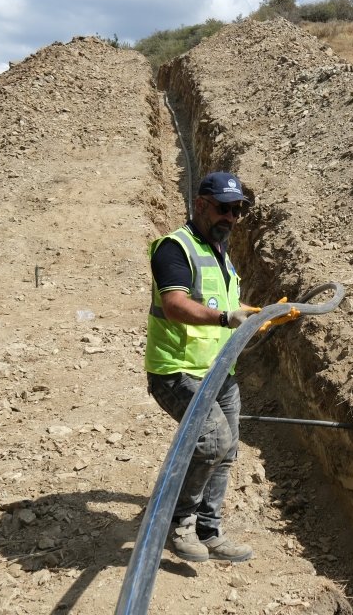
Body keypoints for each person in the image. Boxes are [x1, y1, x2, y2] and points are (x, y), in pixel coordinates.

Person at [145, 171, 259, 564]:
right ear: (200, 205)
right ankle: (178, 522)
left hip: (219, 372)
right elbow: (176, 305)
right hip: (176, 371)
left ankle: (209, 531)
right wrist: (226, 318)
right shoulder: (174, 248)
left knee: (226, 452)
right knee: (212, 443)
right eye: (223, 209)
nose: (230, 217)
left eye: (237, 210)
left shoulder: (220, 252)